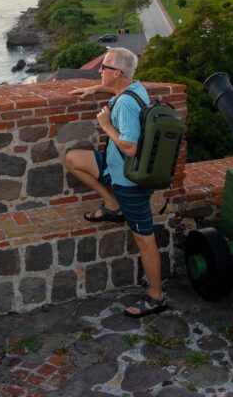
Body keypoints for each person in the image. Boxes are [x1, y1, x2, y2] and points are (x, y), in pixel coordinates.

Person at [65, 47, 167, 318]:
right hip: (114, 169)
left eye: (104, 68)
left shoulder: (125, 105)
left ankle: (156, 297)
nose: (99, 71)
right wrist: (95, 90)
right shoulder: (135, 89)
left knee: (145, 240)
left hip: (130, 182)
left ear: (117, 73)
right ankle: (111, 204)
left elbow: (131, 147)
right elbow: (118, 92)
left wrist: (106, 126)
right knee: (74, 159)